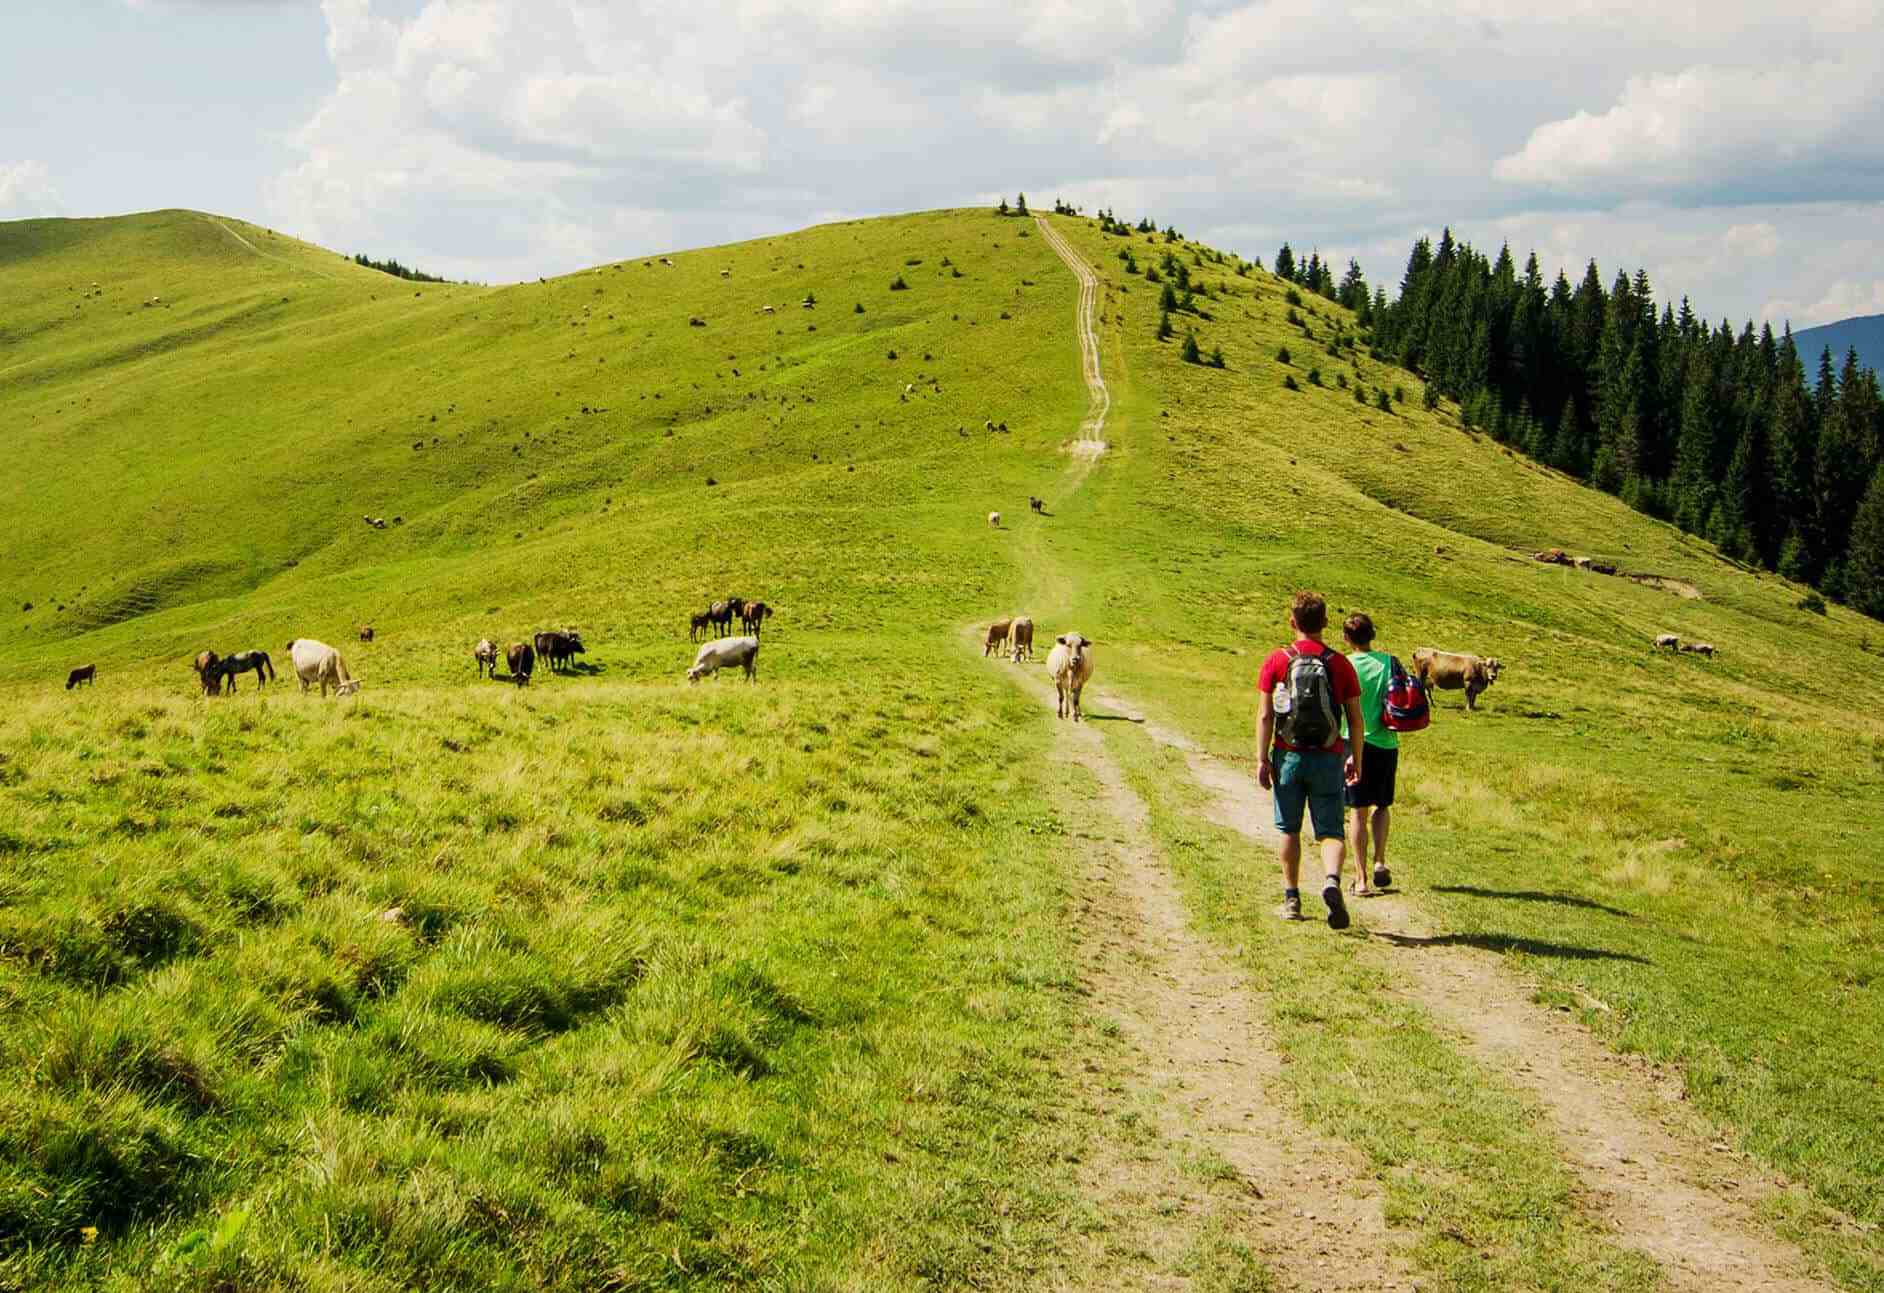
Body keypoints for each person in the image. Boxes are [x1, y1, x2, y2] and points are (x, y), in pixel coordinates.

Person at [1256, 591, 1366, 928]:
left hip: (1288, 756)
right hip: (1328, 758)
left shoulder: (1277, 661)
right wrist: (1355, 758)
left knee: (1289, 829)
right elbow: (1355, 718)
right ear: (1326, 623)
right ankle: (1331, 879)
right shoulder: (1340, 663)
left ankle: (1291, 898)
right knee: (1331, 831)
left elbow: (1265, 716)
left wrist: (1262, 759)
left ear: (1293, 622)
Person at [1340, 613, 1397, 897]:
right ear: (1372, 634)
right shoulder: (1390, 662)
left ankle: (1361, 879)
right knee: (1382, 805)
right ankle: (1380, 860)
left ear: (1346, 638)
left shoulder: (1345, 665)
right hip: (1387, 742)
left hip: (1353, 742)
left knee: (1357, 812)